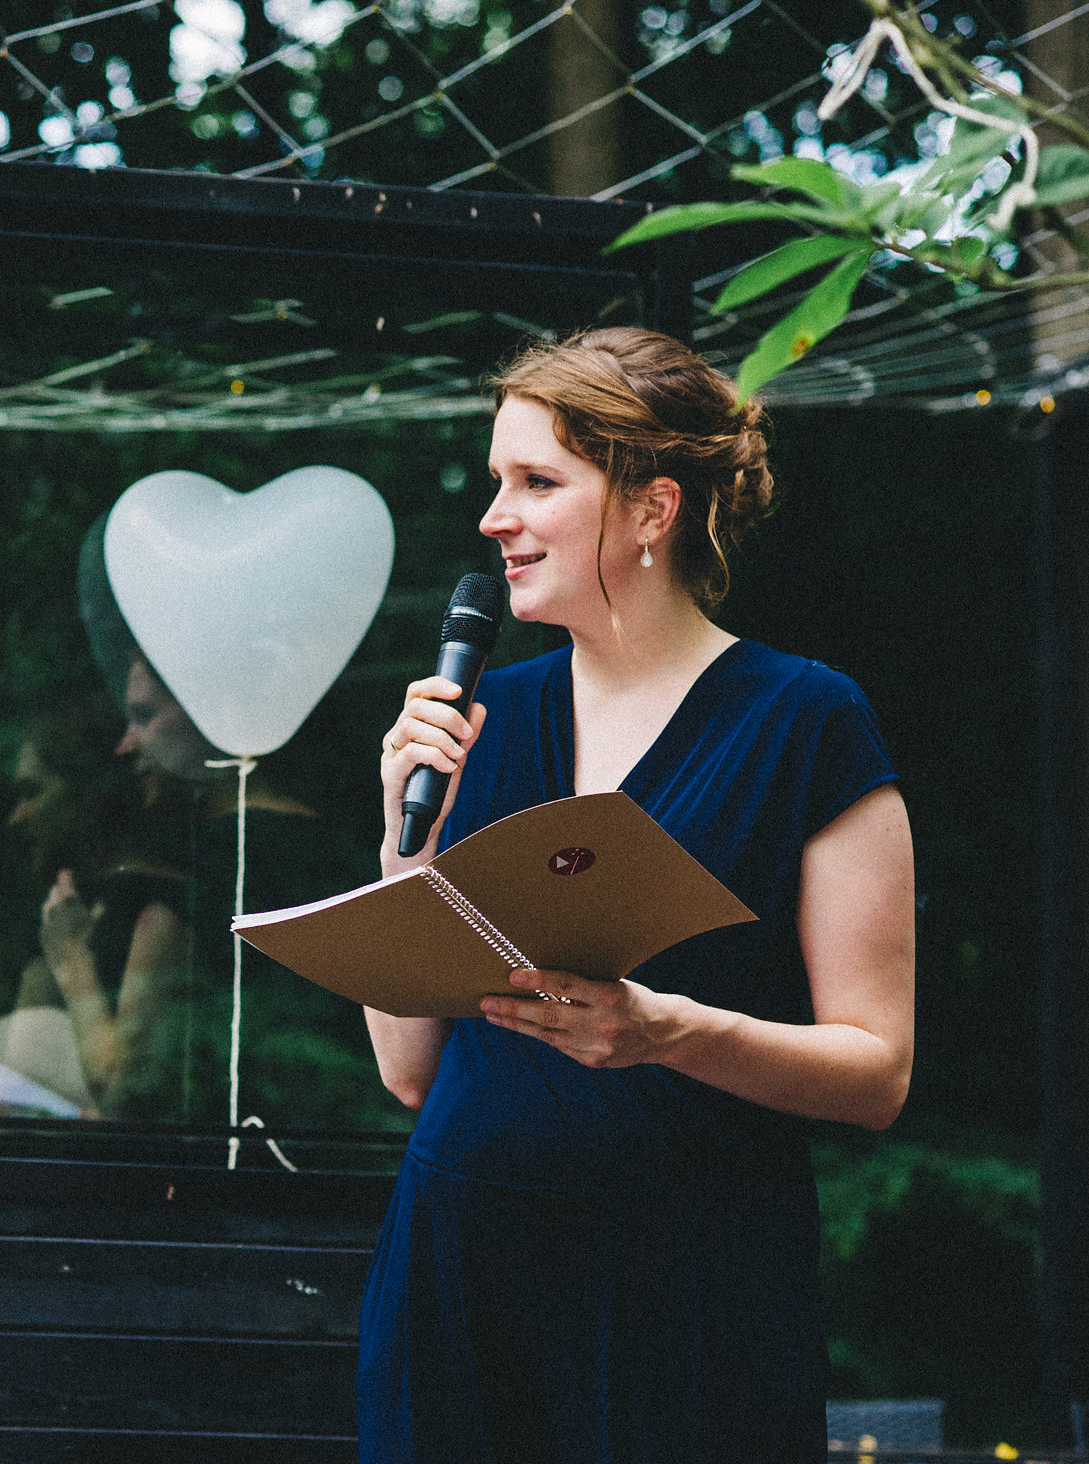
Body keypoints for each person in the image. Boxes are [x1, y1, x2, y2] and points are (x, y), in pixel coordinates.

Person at [360, 327, 915, 1462]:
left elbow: (878, 1072)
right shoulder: (483, 722)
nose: (493, 518)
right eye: (494, 484)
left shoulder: (805, 722)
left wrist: (665, 1030)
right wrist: (399, 843)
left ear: (652, 510)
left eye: (536, 483)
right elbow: (408, 1070)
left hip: (687, 1288)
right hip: (463, 1277)